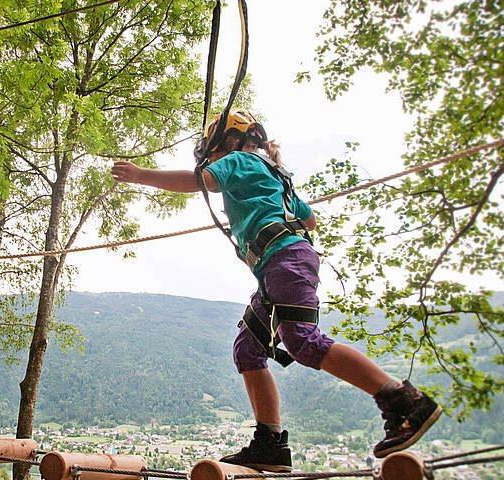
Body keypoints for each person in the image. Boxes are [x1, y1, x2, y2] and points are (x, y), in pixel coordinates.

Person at [110, 110, 442, 473]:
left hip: (284, 261)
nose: (213, 159)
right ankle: (269, 443)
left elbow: (199, 181)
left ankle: (403, 400)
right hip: (280, 264)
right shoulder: (276, 175)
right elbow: (310, 219)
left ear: (230, 143)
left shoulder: (240, 159)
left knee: (303, 342)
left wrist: (141, 176)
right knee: (248, 349)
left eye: (213, 151)